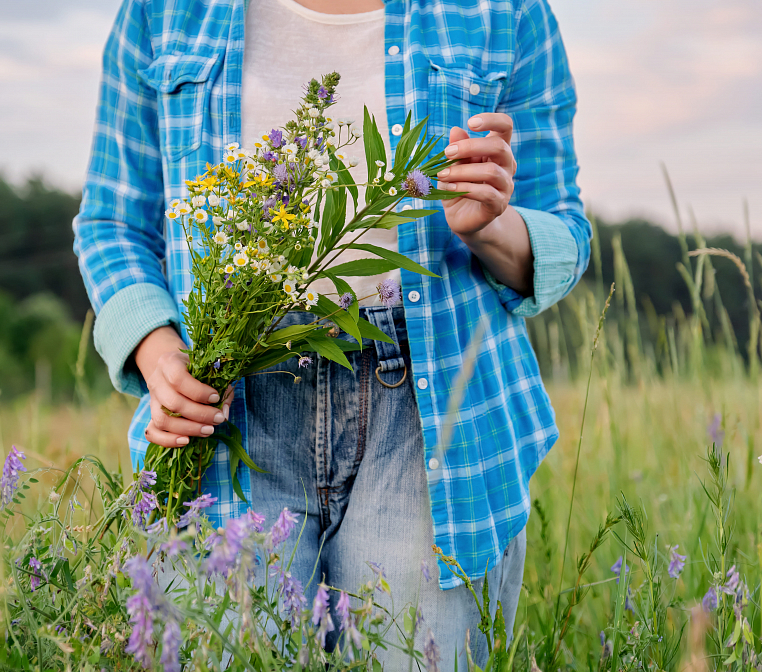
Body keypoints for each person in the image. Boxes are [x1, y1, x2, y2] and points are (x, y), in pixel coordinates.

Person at [73, 0, 591, 665]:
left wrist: (490, 224)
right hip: (231, 404)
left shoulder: (505, 11)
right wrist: (156, 349)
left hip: (430, 417)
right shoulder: (164, 12)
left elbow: (564, 232)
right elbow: (112, 223)